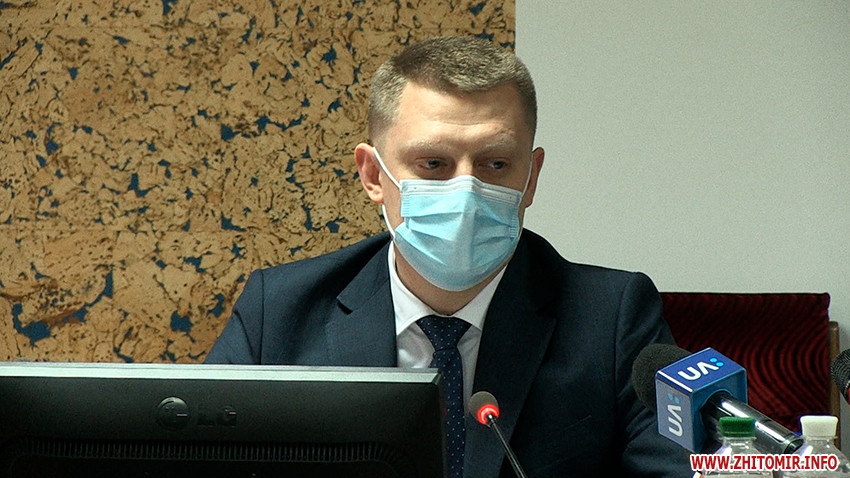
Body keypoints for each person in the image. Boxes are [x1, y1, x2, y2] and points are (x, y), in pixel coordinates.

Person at [206, 35, 692, 477]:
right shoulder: (279, 314)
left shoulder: (612, 319)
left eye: (495, 163)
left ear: (531, 178)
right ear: (373, 175)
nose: (467, 191)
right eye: (433, 164)